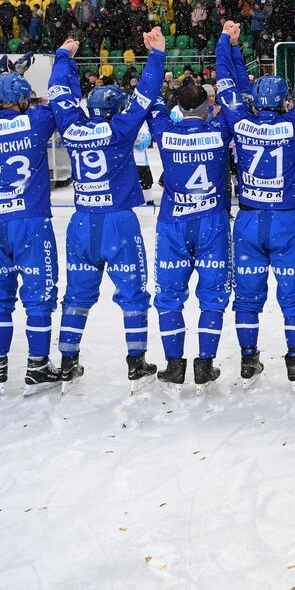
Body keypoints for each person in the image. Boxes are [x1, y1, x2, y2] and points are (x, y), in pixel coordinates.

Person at [49, 28, 167, 387]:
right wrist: (156, 56)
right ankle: (136, 363)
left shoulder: (72, 127)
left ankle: (67, 361)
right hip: (118, 222)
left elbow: (59, 95)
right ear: (117, 109)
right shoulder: (121, 129)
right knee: (133, 295)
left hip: (82, 221)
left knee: (76, 295)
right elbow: (146, 95)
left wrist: (64, 58)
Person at [215, 22, 295, 387]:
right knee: (294, 297)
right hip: (287, 220)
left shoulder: (240, 121)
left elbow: (226, 84)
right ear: (284, 101)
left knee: (246, 298)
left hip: (249, 220)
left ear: (255, 102)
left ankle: (247, 360)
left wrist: (228, 44)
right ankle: (294, 361)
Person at [0, 68, 64, 393]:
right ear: (23, 99)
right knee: (39, 296)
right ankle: (37, 366)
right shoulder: (36, 120)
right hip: (28, 221)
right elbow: (58, 104)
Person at [146, 79, 233, 389]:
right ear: (208, 106)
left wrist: (157, 60)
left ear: (178, 108)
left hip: (174, 224)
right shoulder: (219, 130)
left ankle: (174, 365)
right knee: (213, 296)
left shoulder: (165, 131)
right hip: (212, 222)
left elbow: (150, 101)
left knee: (169, 297)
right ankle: (204, 365)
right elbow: (234, 106)